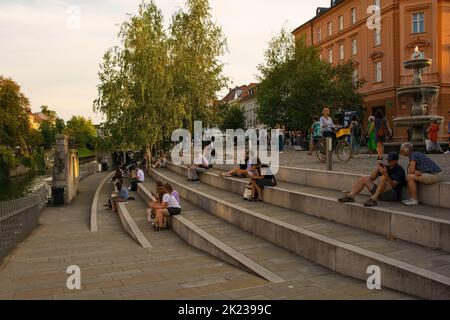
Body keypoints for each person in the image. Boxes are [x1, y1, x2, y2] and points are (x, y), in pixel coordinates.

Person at [338, 152, 406, 207]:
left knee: (383, 177)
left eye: (390, 160)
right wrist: (377, 169)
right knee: (364, 178)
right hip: (381, 193)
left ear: (396, 161)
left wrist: (385, 174)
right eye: (388, 160)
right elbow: (372, 178)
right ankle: (350, 196)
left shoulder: (399, 170)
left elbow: (393, 185)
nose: (388, 161)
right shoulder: (386, 167)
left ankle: (374, 199)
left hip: (392, 195)